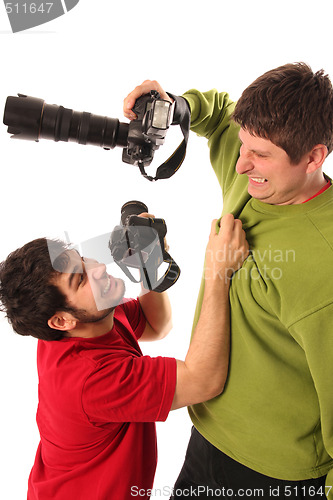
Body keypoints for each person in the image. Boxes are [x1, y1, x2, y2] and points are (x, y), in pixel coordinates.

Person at [123, 63, 333, 499]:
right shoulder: (256, 177)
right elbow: (219, 113)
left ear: (314, 157)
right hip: (208, 437)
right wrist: (176, 106)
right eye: (243, 146)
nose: (240, 165)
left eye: (261, 155)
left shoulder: (324, 265)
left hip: (278, 474)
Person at [0, 211, 248, 500]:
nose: (98, 268)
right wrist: (219, 272)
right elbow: (204, 381)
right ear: (61, 321)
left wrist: (148, 261)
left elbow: (156, 324)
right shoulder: (92, 380)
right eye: (80, 279)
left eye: (82, 258)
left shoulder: (84, 321)